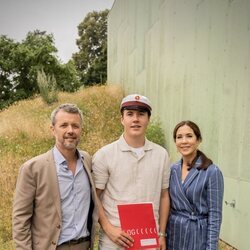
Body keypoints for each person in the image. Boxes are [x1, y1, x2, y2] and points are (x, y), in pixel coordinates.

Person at [12, 103, 98, 250]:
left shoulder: (87, 160)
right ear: (53, 129)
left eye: (75, 126)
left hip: (84, 245)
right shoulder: (33, 169)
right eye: (64, 125)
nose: (70, 130)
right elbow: (20, 219)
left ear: (81, 130)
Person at [92, 94, 171, 250]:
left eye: (141, 114)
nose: (136, 119)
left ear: (148, 119)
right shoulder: (104, 154)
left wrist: (161, 233)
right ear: (122, 119)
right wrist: (109, 228)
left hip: (149, 239)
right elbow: (95, 196)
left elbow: (164, 195)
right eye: (130, 114)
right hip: (115, 241)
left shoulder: (161, 154)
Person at [166, 120, 224, 250]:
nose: (184, 141)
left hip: (197, 237)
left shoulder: (211, 171)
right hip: (174, 234)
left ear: (198, 140)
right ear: (175, 142)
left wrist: (211, 247)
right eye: (179, 137)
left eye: (189, 136)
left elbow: (215, 215)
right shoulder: (172, 169)